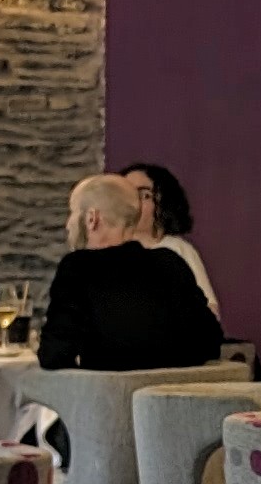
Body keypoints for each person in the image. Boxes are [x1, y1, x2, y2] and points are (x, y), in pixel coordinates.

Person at [39, 172, 222, 371]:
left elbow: (54, 355)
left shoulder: (78, 267)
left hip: (109, 390)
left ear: (92, 218)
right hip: (174, 390)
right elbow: (210, 341)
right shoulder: (170, 262)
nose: (68, 224)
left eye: (73, 213)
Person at [118, 159, 216, 308]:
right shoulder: (106, 251)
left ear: (163, 203)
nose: (133, 202)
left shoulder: (178, 249)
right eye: (125, 194)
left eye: (144, 195)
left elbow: (209, 309)